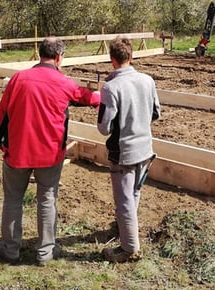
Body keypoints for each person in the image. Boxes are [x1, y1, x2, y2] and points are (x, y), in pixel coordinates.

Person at [0, 37, 100, 265]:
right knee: (47, 200)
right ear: (59, 57)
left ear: (40, 54)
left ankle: (10, 249)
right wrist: (104, 95)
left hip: (17, 152)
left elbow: (0, 115)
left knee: (12, 200)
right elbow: (87, 97)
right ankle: (45, 251)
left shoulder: (19, 78)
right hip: (49, 155)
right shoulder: (63, 82)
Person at [97, 37, 160, 263]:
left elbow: (104, 128)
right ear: (131, 57)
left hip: (123, 153)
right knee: (134, 194)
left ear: (112, 60)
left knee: (124, 200)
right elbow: (156, 112)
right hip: (145, 149)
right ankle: (125, 229)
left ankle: (129, 249)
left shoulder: (111, 88)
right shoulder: (147, 80)